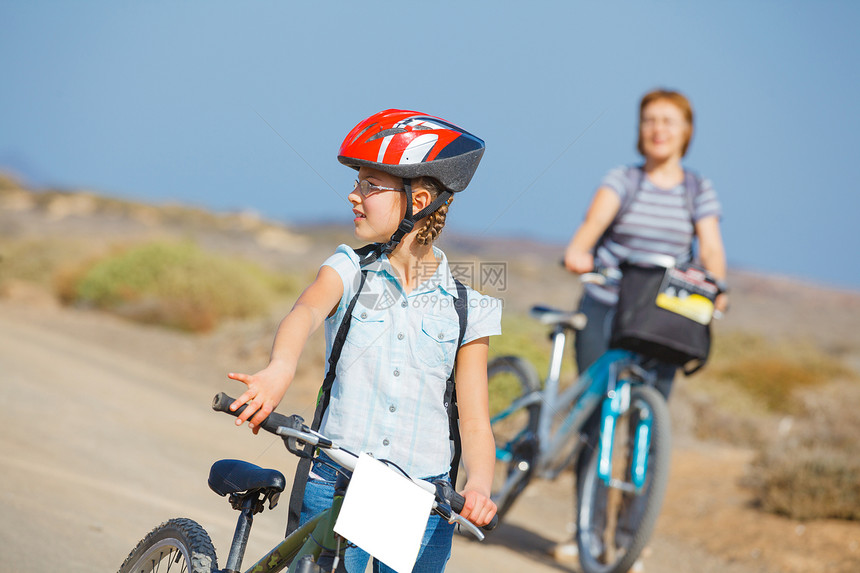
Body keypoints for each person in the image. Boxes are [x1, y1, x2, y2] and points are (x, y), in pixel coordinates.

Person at [227, 109, 500, 572]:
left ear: (419, 198)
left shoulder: (468, 306)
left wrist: (479, 487)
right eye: (358, 183)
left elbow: (474, 420)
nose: (354, 195)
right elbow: (306, 311)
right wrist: (280, 368)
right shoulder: (349, 269)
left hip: (418, 495)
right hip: (337, 475)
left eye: (371, 185)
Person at [563, 88, 728, 398]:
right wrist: (577, 252)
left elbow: (711, 248)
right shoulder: (623, 179)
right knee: (593, 406)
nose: (657, 129)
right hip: (608, 302)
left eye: (668, 121)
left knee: (655, 405)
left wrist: (717, 288)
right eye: (649, 121)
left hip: (665, 313)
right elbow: (594, 223)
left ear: (686, 130)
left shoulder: (698, 189)